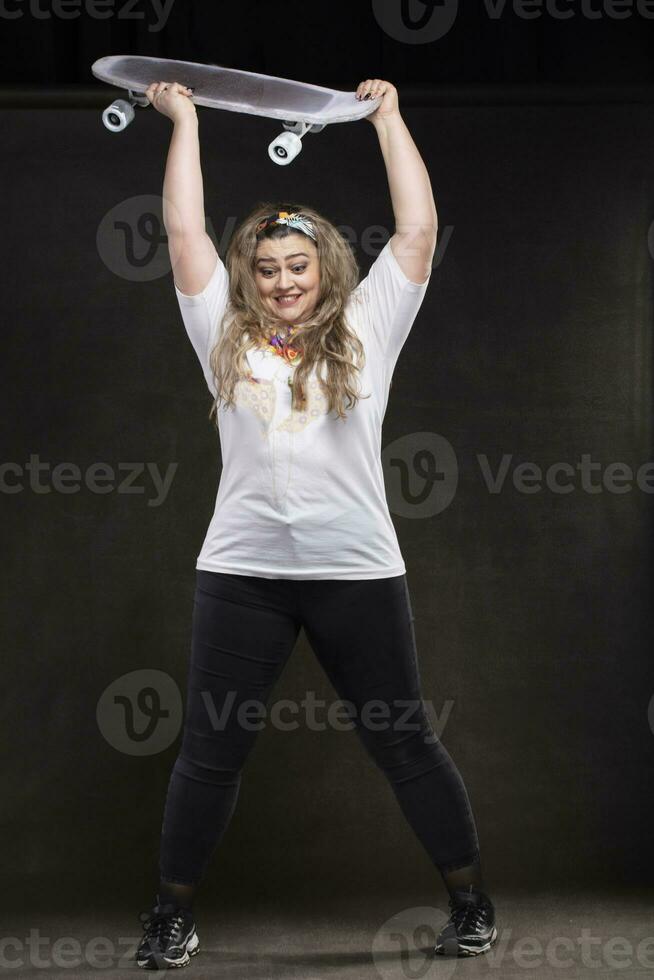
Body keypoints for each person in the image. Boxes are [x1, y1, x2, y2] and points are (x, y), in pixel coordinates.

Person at [134, 75, 498, 969]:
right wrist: (183, 121)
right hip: (242, 573)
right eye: (267, 269)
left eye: (297, 266)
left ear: (324, 267)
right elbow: (184, 231)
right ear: (249, 279)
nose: (283, 281)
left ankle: (471, 904)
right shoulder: (222, 330)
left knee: (404, 741)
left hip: (357, 573)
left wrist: (391, 118)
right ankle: (171, 916)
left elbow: (415, 231)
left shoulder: (371, 326)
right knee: (210, 754)